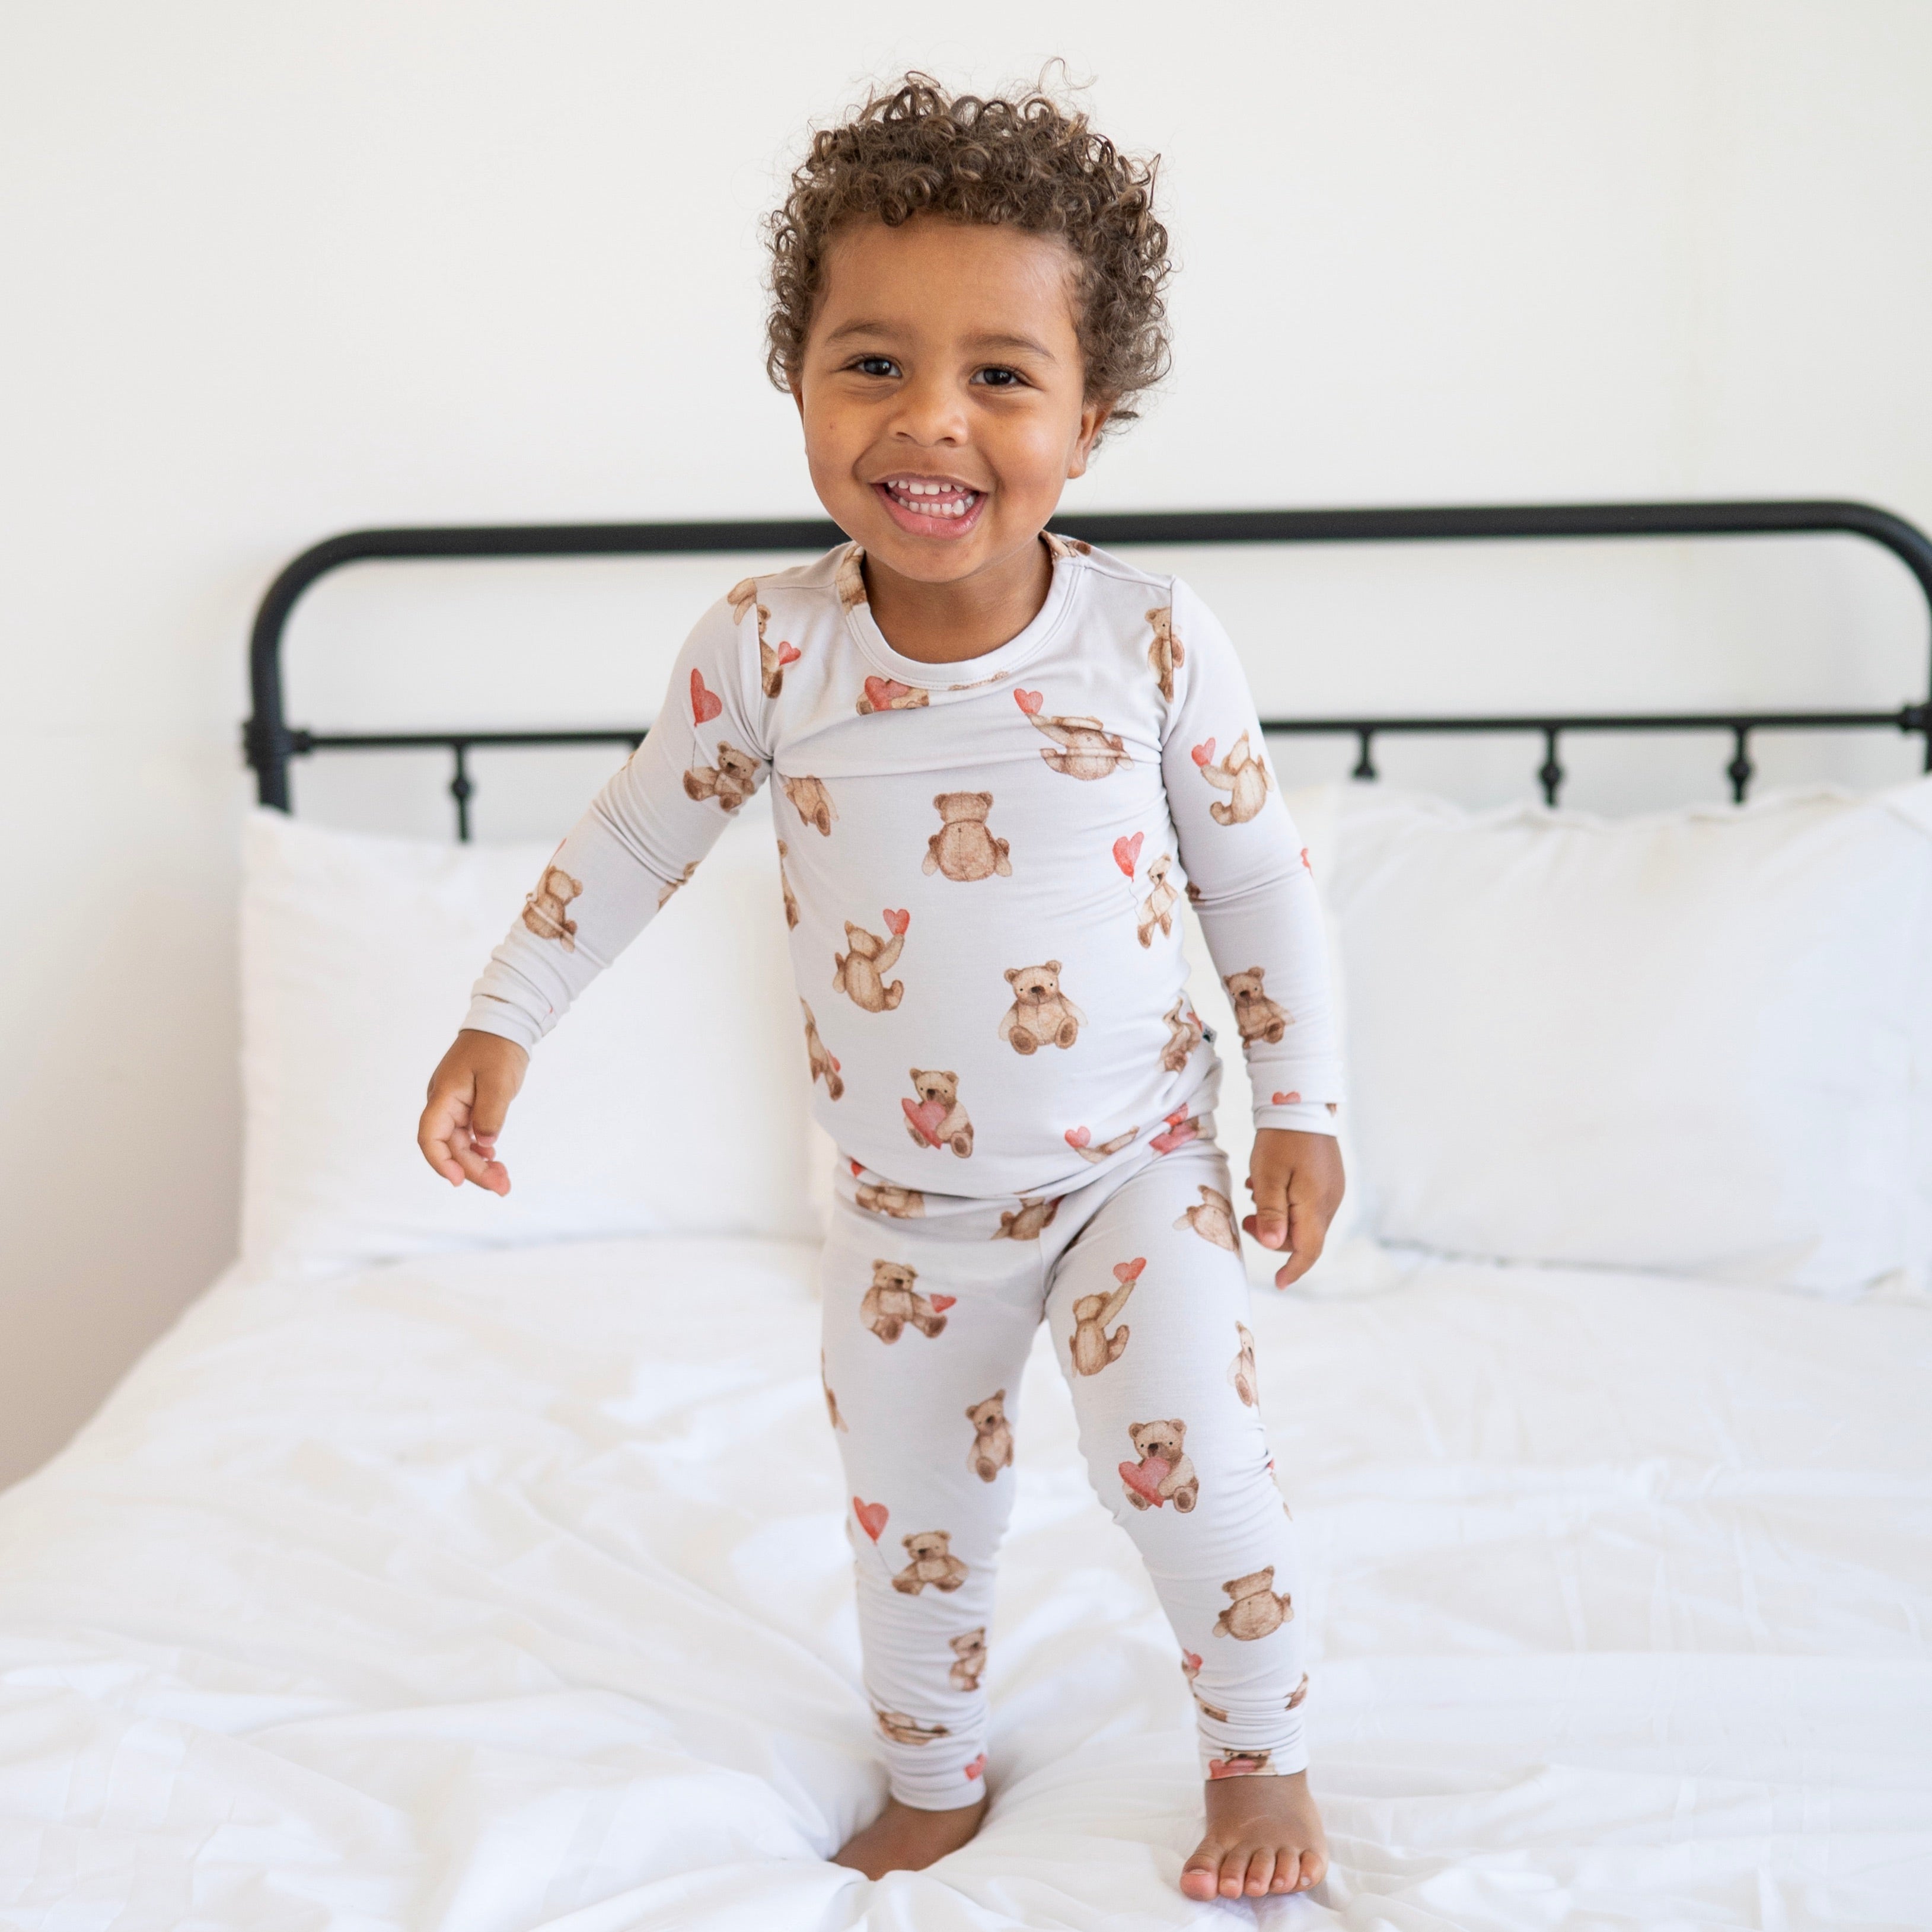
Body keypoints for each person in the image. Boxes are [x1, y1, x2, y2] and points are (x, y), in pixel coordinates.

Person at [417, 73, 1342, 1903]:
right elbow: (632, 839)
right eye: (871, 364)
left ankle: (1261, 1757)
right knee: (912, 1523)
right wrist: (503, 1010)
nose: (931, 419)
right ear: (798, 383)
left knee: (1190, 1467)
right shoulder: (770, 648)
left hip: (1135, 1168)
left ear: (1089, 418)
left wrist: (1295, 1105)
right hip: (906, 1211)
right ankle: (930, 1777)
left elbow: (1252, 880)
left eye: (1000, 373)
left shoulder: (1152, 641)